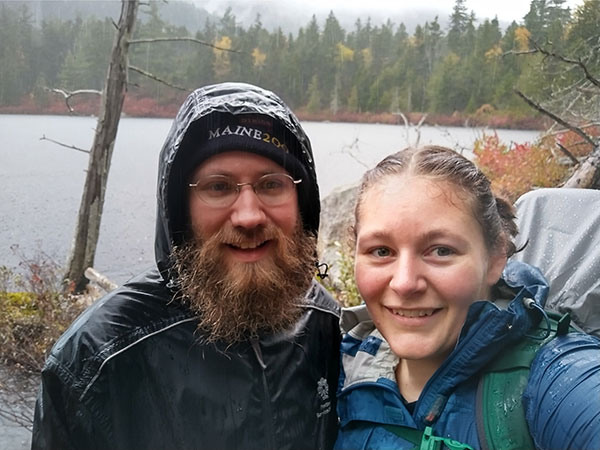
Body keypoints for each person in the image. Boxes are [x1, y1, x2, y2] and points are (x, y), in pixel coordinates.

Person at [32, 82, 341, 450]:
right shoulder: (97, 362)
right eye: (218, 187)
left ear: (302, 204)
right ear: (180, 212)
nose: (248, 216)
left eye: (271, 184)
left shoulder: (323, 322)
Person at [335, 145, 600, 450]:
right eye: (381, 251)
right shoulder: (339, 370)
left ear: (496, 257)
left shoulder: (551, 378)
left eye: (441, 251)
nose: (405, 283)